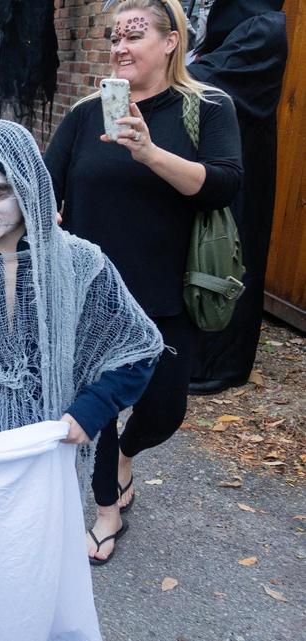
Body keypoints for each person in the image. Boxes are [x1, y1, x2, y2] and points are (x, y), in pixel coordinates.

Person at [0, 119, 164, 639]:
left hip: (48, 459)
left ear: (29, 186)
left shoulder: (82, 264)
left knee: (45, 576)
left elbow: (137, 348)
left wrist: (88, 413)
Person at [44, 0, 242, 564]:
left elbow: (224, 184)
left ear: (171, 41)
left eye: (134, 35)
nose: (120, 47)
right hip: (92, 297)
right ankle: (106, 509)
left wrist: (149, 152)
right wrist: (47, 215)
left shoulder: (206, 108)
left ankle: (129, 454)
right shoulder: (87, 114)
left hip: (168, 294)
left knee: (164, 410)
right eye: (114, 37)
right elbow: (43, 183)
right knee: (101, 405)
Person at [188, 0, 288, 394]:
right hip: (223, 158)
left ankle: (218, 365)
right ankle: (195, 354)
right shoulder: (242, 26)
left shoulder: (264, 28)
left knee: (229, 252)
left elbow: (210, 77)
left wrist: (166, 68)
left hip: (242, 165)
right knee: (204, 249)